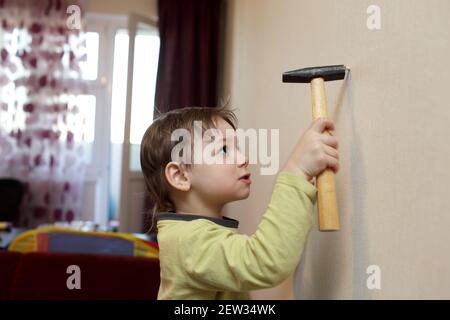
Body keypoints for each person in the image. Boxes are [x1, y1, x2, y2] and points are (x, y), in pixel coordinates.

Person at [140, 106, 339, 299]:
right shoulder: (187, 241)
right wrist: (296, 171)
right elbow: (264, 262)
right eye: (224, 149)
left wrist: (300, 188)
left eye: (238, 148)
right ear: (181, 176)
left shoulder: (193, 233)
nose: (244, 158)